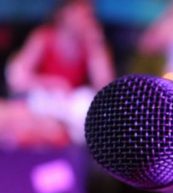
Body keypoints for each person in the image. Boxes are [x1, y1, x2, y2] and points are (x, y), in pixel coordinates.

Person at [3, 0, 114, 147]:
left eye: (89, 15)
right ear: (64, 13)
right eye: (81, 13)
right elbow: (16, 78)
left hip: (71, 112)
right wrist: (51, 83)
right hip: (43, 105)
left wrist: (96, 46)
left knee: (87, 106)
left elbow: (104, 87)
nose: (85, 19)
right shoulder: (44, 37)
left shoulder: (91, 45)